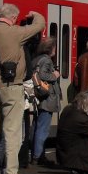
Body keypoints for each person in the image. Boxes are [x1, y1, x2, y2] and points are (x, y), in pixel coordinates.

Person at [0, 4, 45, 174]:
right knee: (12, 131)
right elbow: (40, 24)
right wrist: (35, 13)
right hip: (12, 87)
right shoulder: (15, 33)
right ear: (13, 18)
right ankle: (10, 172)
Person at [30, 37, 61, 166]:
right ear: (50, 49)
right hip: (47, 98)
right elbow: (43, 75)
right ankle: (37, 156)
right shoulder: (46, 60)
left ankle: (37, 154)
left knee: (37, 127)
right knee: (43, 128)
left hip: (39, 98)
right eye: (54, 47)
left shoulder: (36, 58)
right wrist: (55, 75)